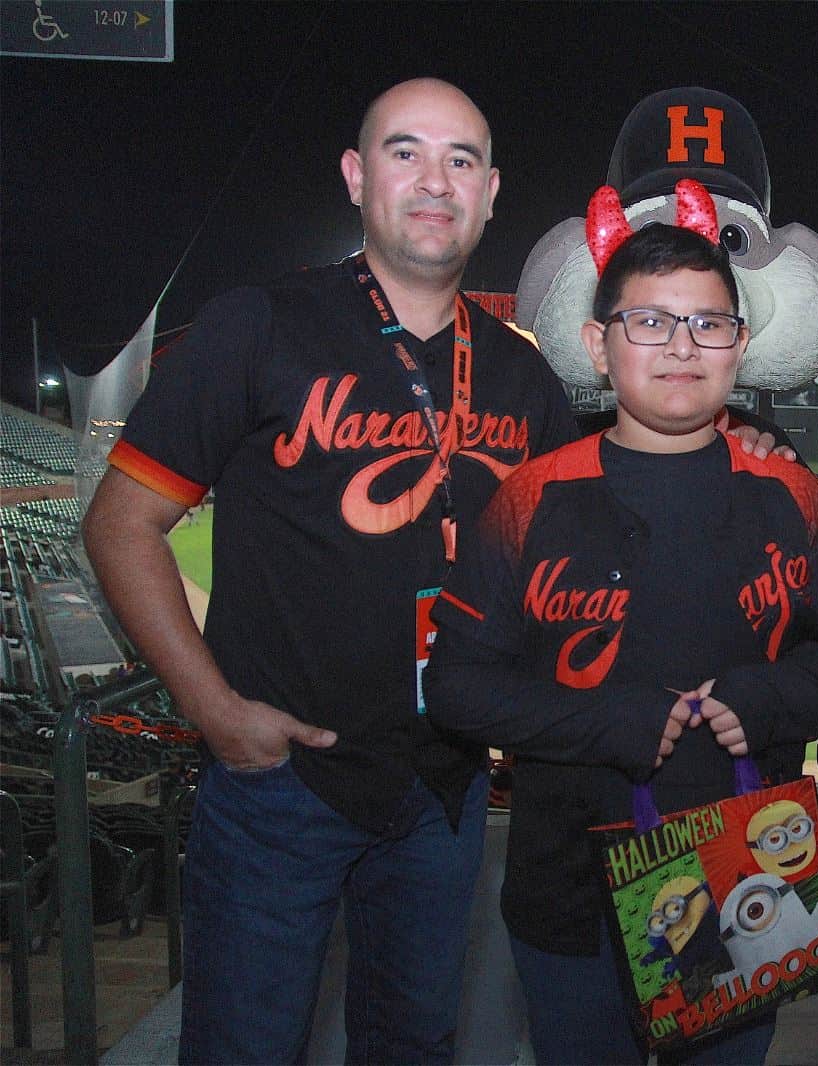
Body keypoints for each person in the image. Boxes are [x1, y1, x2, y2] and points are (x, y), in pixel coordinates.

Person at [80, 79, 581, 1064]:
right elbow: (120, 525)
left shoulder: (524, 377)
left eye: (461, 160)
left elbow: (554, 570)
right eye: (406, 152)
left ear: (489, 196)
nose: (435, 180)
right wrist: (212, 707)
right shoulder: (259, 323)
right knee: (243, 1047)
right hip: (281, 782)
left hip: (442, 790)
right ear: (357, 178)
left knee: (413, 1043)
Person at [423, 208, 818, 1065]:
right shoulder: (529, 499)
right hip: (572, 895)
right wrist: (609, 720)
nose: (681, 346)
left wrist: (768, 696)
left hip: (748, 884)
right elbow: (457, 687)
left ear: (739, 345)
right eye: (650, 321)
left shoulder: (791, 495)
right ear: (599, 344)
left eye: (708, 323)